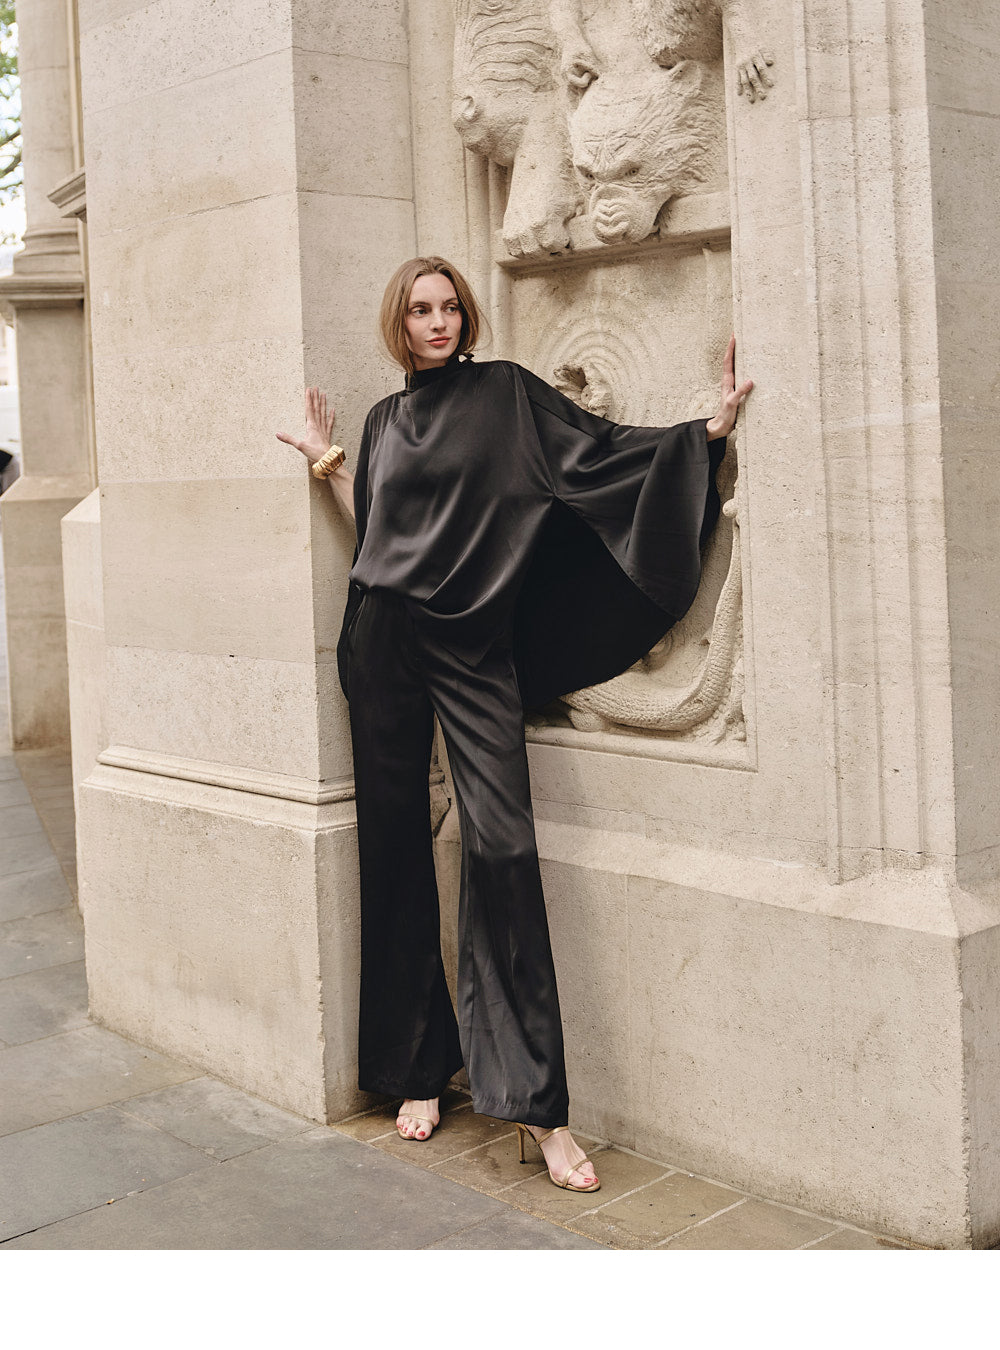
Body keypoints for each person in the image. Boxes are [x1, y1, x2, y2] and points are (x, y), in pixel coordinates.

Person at [276, 256, 751, 1193]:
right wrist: (323, 458)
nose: (440, 321)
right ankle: (417, 1068)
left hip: (473, 646)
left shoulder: (506, 395)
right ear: (399, 323)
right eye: (422, 309)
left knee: (503, 848)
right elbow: (379, 530)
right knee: (393, 845)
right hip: (381, 640)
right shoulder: (384, 419)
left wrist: (706, 433)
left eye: (451, 306)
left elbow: (604, 455)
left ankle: (541, 1111)